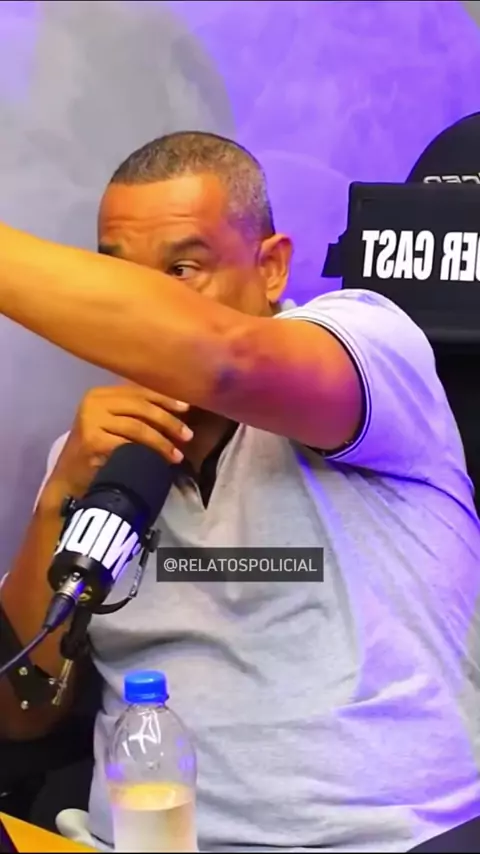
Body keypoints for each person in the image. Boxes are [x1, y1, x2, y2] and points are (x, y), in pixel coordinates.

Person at [1, 131, 480, 853]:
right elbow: (22, 715)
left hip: (384, 840)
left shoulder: (370, 345)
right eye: (119, 276)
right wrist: (60, 494)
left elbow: (226, 359)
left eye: (181, 269)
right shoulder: (95, 453)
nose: (143, 306)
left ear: (271, 267)